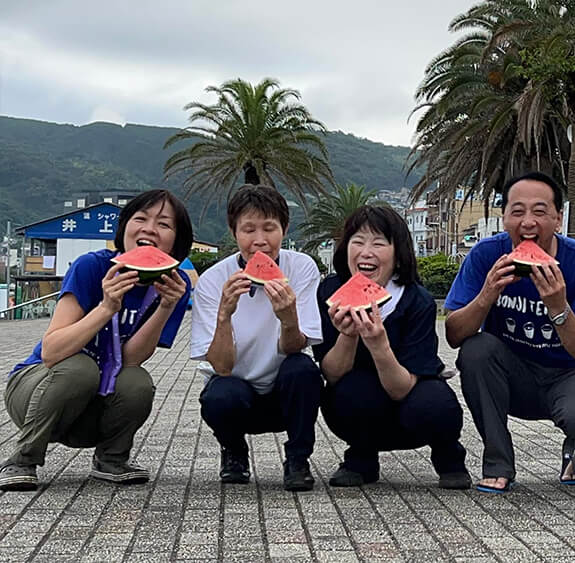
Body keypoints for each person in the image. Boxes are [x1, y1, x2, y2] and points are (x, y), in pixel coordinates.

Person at [0, 190, 193, 491]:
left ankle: (111, 459)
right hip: (36, 391)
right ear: (124, 227)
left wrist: (166, 306)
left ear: (177, 241)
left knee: (137, 381)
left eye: (164, 224)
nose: (150, 229)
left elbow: (130, 360)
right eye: (140, 219)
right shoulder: (90, 266)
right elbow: (52, 351)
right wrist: (106, 308)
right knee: (80, 367)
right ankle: (22, 459)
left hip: (91, 409)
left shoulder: (175, 286)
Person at [444, 172, 575, 493]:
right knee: (475, 350)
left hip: (572, 373)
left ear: (558, 218)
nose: (528, 222)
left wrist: (559, 307)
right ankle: (498, 464)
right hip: (513, 375)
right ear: (504, 217)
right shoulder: (486, 255)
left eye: (540, 211)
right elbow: (454, 335)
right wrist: (486, 296)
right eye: (517, 211)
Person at [314, 206, 470, 489]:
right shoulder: (330, 291)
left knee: (436, 403)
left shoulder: (418, 300)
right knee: (347, 392)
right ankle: (361, 457)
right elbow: (332, 374)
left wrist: (379, 346)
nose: (366, 252)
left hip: (410, 397)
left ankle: (449, 456)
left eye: (378, 243)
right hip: (363, 403)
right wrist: (348, 336)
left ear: (398, 254)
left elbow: (401, 389)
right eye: (358, 242)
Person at [190, 185, 323, 491]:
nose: (260, 240)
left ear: (284, 229)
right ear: (234, 233)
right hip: (238, 391)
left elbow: (294, 347)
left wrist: (288, 318)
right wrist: (224, 315)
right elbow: (222, 367)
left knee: (304, 371)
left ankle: (298, 459)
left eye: (269, 228)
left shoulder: (302, 267)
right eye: (248, 230)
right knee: (219, 396)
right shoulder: (212, 281)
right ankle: (234, 451)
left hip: (284, 393)